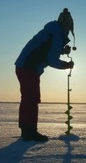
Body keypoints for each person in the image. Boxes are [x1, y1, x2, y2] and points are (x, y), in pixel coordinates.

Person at [15, 8, 75, 141]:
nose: (67, 31)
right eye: (67, 28)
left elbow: (47, 50)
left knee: (29, 98)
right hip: (28, 68)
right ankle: (29, 132)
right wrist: (66, 65)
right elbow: (52, 60)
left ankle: (27, 130)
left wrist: (61, 50)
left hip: (25, 66)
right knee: (31, 98)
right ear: (65, 26)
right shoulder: (56, 34)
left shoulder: (52, 31)